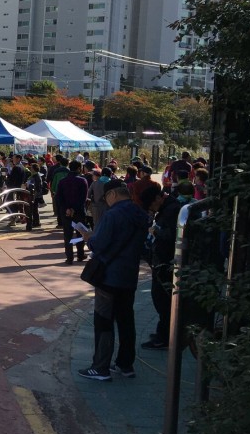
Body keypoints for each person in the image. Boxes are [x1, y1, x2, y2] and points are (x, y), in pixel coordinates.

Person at [78, 180, 150, 381]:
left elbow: (99, 244)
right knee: (126, 320)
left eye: (105, 198)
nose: (106, 202)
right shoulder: (140, 214)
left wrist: (88, 238)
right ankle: (125, 364)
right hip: (130, 275)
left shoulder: (113, 215)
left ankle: (100, 367)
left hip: (108, 276)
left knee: (103, 321)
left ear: (113, 195)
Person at [142, 181, 194, 350]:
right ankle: (165, 332)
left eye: (152, 205)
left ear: (158, 198)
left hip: (168, 262)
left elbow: (173, 236)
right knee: (161, 300)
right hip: (164, 261)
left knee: (163, 300)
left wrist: (156, 231)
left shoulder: (172, 210)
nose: (152, 209)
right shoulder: (169, 208)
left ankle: (166, 336)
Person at [55, 159, 89, 264]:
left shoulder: (62, 181)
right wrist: (74, 208)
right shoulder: (82, 181)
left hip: (66, 212)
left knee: (68, 234)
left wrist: (67, 209)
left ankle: (69, 257)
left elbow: (58, 197)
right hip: (79, 211)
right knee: (80, 234)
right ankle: (80, 254)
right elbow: (83, 198)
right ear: (79, 168)